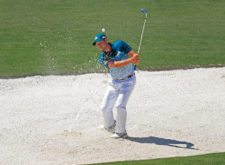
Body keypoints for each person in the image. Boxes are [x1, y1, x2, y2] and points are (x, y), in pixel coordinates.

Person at [93, 33, 140, 138]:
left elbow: (133, 54)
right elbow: (115, 65)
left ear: (105, 40)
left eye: (100, 43)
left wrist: (135, 58)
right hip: (114, 82)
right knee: (105, 108)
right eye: (97, 44)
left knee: (120, 106)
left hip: (128, 81)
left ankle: (121, 132)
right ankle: (110, 126)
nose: (99, 46)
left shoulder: (120, 44)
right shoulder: (102, 57)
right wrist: (131, 60)